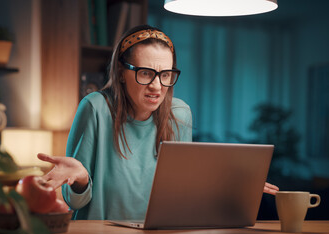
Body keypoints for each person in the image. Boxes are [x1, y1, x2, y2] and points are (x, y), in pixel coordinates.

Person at [38, 24, 279, 220]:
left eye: (165, 75)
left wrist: (227, 188)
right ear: (121, 73)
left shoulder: (180, 113)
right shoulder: (95, 108)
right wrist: (80, 180)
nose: (157, 86)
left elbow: (182, 192)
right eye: (145, 73)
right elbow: (75, 201)